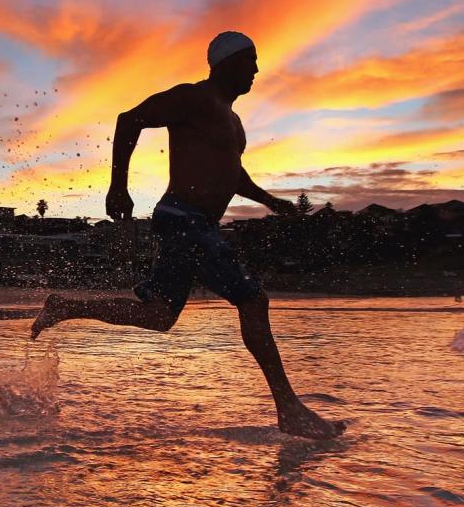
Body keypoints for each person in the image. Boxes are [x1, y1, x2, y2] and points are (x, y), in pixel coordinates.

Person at [31, 31, 345, 439]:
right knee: (253, 299)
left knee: (159, 315)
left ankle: (64, 307)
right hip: (183, 218)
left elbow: (233, 174)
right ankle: (290, 410)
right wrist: (117, 186)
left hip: (196, 226)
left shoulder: (233, 123)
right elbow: (131, 119)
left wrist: (271, 200)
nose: (255, 69)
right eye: (249, 60)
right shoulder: (194, 98)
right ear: (226, 62)